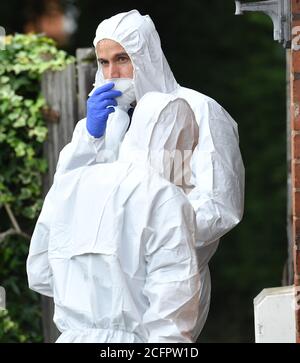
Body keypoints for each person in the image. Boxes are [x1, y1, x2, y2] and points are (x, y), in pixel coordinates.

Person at [27, 9, 244, 340]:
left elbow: (220, 205)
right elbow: (66, 200)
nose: (113, 73)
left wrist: (156, 235)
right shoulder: (103, 124)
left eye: (122, 58)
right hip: (101, 291)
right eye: (103, 63)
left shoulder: (197, 110)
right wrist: (90, 138)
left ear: (145, 55)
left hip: (169, 283)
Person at [27, 92, 201, 343]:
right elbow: (173, 307)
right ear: (177, 145)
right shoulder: (165, 198)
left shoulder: (71, 185)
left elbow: (40, 273)